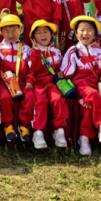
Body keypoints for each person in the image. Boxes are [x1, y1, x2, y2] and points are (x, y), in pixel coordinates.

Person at [61, 16, 101, 156]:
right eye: (82, 30)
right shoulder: (72, 51)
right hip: (81, 83)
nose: (85, 33)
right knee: (93, 95)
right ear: (76, 33)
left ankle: (84, 139)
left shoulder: (99, 51)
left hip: (96, 84)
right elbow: (67, 72)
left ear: (95, 34)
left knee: (88, 105)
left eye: (90, 30)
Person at [0, 14, 35, 144]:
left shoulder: (26, 48)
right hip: (3, 83)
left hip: (22, 81)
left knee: (30, 96)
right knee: (5, 97)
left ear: (20, 30)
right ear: (1, 32)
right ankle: (8, 126)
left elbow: (30, 68)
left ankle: (24, 126)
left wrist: (29, 81)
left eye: (14, 31)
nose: (11, 34)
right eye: (7, 31)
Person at [26, 20, 68, 149]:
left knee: (58, 99)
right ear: (33, 37)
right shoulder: (31, 52)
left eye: (45, 32)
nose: (43, 35)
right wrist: (36, 52)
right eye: (38, 33)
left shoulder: (57, 51)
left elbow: (61, 67)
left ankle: (59, 131)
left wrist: (61, 73)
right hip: (38, 83)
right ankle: (38, 133)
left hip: (52, 83)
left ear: (51, 35)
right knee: (40, 102)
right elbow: (34, 68)